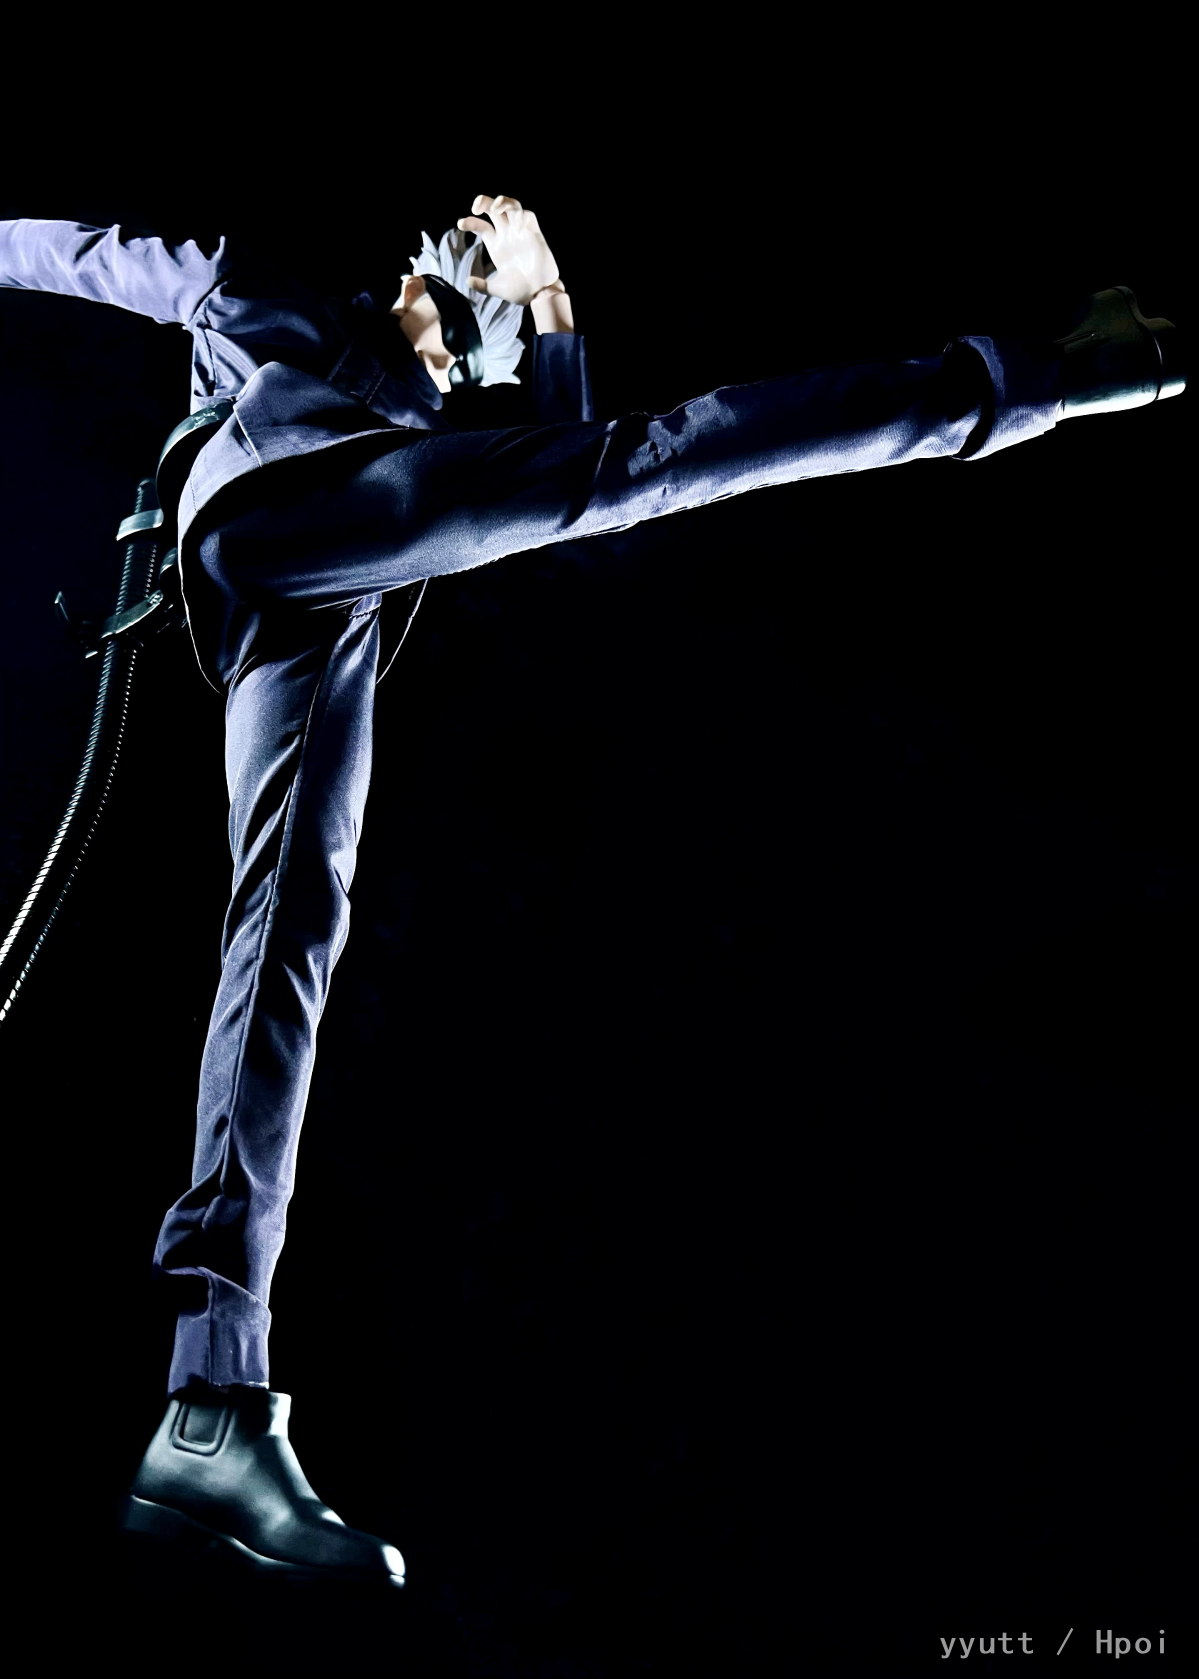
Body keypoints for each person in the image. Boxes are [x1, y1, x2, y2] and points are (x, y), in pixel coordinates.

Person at [0, 197, 1183, 1587]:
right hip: (273, 520)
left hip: (313, 607)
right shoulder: (279, 314)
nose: (459, 303)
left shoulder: (426, 424)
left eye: (478, 326)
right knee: (651, 462)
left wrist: (552, 305)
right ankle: (1043, 376)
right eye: (455, 287)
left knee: (287, 941)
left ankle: (210, 1399)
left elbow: (562, 484)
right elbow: (103, 253)